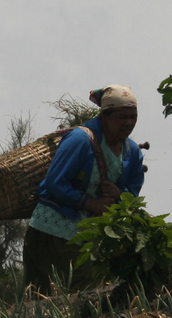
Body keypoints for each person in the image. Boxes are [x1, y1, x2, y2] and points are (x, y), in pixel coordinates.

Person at [24, 85, 146, 292]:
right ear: (105, 116)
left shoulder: (131, 152)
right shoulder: (80, 140)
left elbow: (132, 192)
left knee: (83, 290)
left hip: (88, 234)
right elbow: (55, 182)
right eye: (122, 117)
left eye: (133, 117)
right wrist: (92, 203)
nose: (128, 123)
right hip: (52, 230)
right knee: (47, 295)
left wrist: (119, 196)